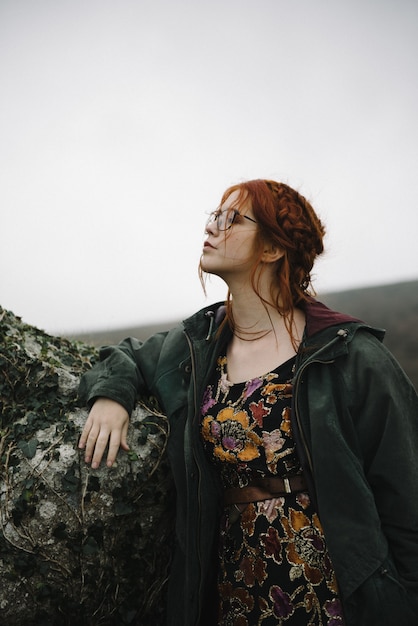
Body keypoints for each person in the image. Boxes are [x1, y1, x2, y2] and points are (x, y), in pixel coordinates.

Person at [78, 179, 418, 626]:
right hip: (231, 586)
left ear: (274, 248)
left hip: (336, 588)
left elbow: (406, 495)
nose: (212, 228)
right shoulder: (197, 346)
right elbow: (125, 356)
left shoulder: (349, 354)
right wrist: (111, 398)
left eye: (232, 219)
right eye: (213, 216)